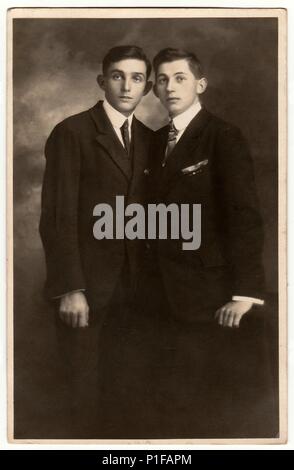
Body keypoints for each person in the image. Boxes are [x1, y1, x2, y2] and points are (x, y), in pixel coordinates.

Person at [146, 48, 276, 438]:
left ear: (200, 84)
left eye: (180, 78)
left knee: (211, 404)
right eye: (163, 79)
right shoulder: (152, 142)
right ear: (154, 89)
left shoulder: (223, 136)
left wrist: (245, 292)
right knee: (166, 401)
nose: (170, 86)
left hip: (210, 294)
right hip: (157, 295)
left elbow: (245, 217)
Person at [39, 45, 153, 438]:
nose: (126, 85)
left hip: (137, 293)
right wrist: (71, 287)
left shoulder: (151, 140)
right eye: (118, 76)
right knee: (84, 394)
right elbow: (57, 217)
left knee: (128, 394)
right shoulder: (72, 132)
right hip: (87, 290)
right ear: (102, 81)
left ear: (148, 86)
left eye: (137, 78)